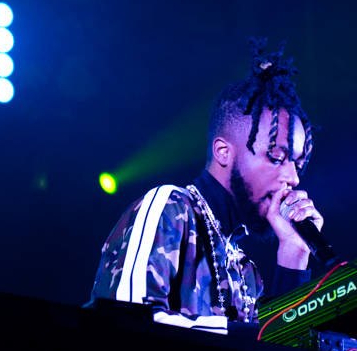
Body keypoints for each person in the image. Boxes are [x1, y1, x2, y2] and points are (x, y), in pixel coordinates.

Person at [88, 39, 324, 334]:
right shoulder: (169, 207)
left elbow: (281, 349)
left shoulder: (246, 272)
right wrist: (249, 338)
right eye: (276, 157)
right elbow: (126, 323)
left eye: (297, 164)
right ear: (224, 152)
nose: (293, 177)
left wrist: (294, 253)